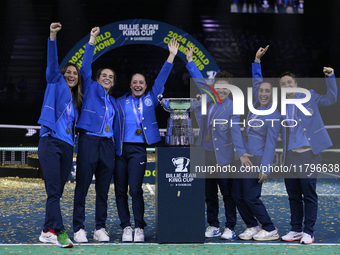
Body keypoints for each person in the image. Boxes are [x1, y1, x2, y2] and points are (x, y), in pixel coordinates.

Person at [184, 45, 253, 240]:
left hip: (223, 156)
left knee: (227, 193)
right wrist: (190, 61)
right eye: (218, 86)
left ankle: (229, 226)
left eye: (225, 87)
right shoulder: (208, 100)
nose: (221, 90)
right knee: (209, 193)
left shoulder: (233, 107)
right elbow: (199, 82)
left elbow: (235, 132)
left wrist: (240, 152)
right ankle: (213, 224)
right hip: (203, 153)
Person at [114, 38, 179, 243]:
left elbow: (161, 79)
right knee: (119, 191)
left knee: (135, 189)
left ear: (146, 85)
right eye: (135, 82)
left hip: (138, 150)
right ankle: (126, 226)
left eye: (141, 82)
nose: (138, 85)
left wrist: (171, 56)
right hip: (119, 150)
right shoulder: (119, 101)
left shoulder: (151, 99)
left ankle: (139, 227)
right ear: (130, 85)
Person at [73, 26, 120, 243]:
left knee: (103, 190)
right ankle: (78, 228)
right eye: (104, 75)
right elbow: (85, 67)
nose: (107, 78)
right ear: (97, 77)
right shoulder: (90, 87)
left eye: (110, 77)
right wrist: (92, 39)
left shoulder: (113, 102)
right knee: (82, 186)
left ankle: (100, 228)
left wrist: (116, 150)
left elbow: (117, 128)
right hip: (89, 139)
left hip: (107, 145)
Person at [279, 65, 337, 243]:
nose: (287, 86)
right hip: (290, 156)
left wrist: (330, 77)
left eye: (289, 82)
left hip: (308, 154)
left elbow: (331, 99)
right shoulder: (281, 104)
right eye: (283, 84)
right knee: (293, 195)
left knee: (309, 195)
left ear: (296, 84)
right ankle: (296, 229)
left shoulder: (309, 95)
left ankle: (308, 231)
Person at [38, 22, 83, 248]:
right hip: (50, 142)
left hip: (67, 146)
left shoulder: (75, 103)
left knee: (57, 192)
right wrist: (53, 36)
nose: (72, 75)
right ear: (62, 73)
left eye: (75, 73)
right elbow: (52, 64)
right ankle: (61, 232)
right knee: (54, 191)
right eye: (69, 72)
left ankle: (47, 230)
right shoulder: (54, 82)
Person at [232, 46, 281, 241]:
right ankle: (252, 225)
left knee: (250, 197)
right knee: (237, 195)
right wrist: (257, 61)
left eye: (267, 91)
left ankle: (269, 228)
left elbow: (271, 144)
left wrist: (265, 168)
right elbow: (257, 81)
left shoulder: (274, 114)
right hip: (243, 157)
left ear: (272, 94)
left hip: (257, 159)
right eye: (261, 90)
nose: (263, 93)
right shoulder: (256, 105)